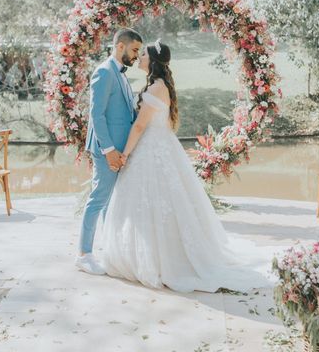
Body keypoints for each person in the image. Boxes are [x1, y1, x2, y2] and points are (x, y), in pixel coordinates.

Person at [100, 40, 273, 293]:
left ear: (153, 60)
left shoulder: (157, 87)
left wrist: (124, 154)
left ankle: (164, 260)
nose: (139, 57)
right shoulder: (159, 85)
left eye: (143, 53)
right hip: (159, 147)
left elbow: (139, 126)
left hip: (151, 150)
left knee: (159, 203)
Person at [75, 28, 143, 275]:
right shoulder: (104, 72)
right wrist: (110, 150)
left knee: (108, 203)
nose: (136, 56)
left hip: (119, 149)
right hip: (107, 150)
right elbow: (97, 115)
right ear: (120, 46)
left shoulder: (121, 75)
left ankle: (109, 249)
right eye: (134, 50)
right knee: (98, 199)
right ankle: (83, 254)